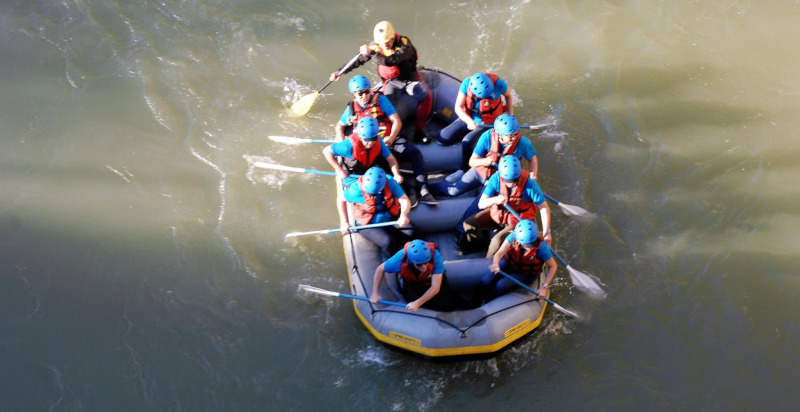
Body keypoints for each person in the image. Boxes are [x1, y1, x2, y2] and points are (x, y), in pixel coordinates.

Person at [336, 75, 438, 206]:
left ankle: (424, 191)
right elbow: (340, 126)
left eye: (367, 91)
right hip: (373, 147)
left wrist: (391, 138)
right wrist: (340, 136)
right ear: (354, 94)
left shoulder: (380, 100)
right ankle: (410, 191)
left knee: (414, 153)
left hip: (390, 140)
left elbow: (396, 121)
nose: (364, 96)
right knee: (383, 166)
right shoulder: (351, 109)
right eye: (360, 93)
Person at [330, 21, 432, 143]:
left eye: (388, 41)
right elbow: (358, 60)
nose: (385, 45)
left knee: (426, 97)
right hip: (391, 81)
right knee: (386, 107)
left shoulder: (404, 44)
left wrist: (372, 53)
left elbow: (391, 61)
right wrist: (340, 71)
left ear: (393, 37)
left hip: (410, 78)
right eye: (382, 43)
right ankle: (392, 136)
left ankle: (419, 132)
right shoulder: (375, 46)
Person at [460, 155, 552, 257]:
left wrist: (547, 231)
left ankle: (489, 261)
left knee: (496, 242)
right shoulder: (495, 179)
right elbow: (481, 204)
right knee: (469, 223)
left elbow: (544, 208)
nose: (512, 184)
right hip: (499, 214)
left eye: (515, 180)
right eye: (508, 181)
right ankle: (478, 245)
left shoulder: (530, 185)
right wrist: (495, 199)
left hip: (517, 221)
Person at [429, 113, 537, 199]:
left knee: (488, 201)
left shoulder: (523, 142)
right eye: (510, 135)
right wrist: (484, 161)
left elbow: (532, 159)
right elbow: (472, 162)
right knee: (453, 191)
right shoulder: (487, 137)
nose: (514, 138)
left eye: (516, 134)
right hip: (480, 171)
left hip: (500, 179)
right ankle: (427, 188)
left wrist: (533, 175)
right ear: (499, 134)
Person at [437, 72, 514, 167]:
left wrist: (511, 115)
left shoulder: (499, 84)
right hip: (470, 119)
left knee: (467, 141)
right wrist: (469, 122)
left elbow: (508, 96)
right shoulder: (467, 83)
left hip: (489, 123)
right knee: (442, 138)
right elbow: (458, 107)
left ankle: (465, 168)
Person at [340, 167, 413, 259]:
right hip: (368, 224)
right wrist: (345, 222)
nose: (371, 196)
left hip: (390, 217)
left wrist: (404, 215)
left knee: (411, 232)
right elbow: (340, 199)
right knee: (388, 242)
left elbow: (404, 199)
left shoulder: (389, 181)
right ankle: (394, 260)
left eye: (374, 194)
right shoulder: (354, 191)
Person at [480, 219, 557, 302]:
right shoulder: (512, 237)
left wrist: (544, 287)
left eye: (532, 243)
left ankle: (487, 301)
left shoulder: (542, 248)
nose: (530, 248)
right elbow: (499, 253)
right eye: (527, 245)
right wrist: (495, 263)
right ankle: (477, 298)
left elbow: (553, 266)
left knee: (501, 285)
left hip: (525, 274)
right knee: (486, 280)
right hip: (509, 264)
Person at [370, 239, 456, 311]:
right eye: (419, 264)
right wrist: (375, 293)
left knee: (446, 304)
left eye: (426, 263)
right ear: (411, 260)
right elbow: (380, 269)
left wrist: (418, 302)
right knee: (423, 307)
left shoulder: (436, 256)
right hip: (413, 284)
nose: (424, 268)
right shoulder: (399, 259)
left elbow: (435, 287)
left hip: (431, 279)